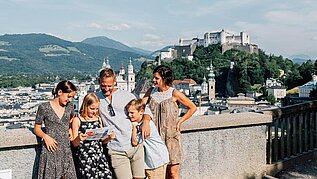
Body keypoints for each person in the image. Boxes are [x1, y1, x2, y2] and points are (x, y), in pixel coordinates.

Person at [96, 68, 151, 179]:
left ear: (115, 81)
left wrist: (146, 122)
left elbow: (145, 110)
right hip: (116, 149)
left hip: (135, 145)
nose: (106, 89)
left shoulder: (127, 96)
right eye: (103, 86)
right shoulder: (96, 98)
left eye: (109, 86)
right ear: (99, 82)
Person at [143, 65, 197, 179]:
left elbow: (192, 107)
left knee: (173, 172)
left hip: (170, 137)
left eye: (157, 78)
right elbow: (140, 107)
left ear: (165, 78)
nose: (154, 80)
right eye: (154, 77)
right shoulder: (151, 92)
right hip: (154, 137)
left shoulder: (174, 93)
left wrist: (180, 121)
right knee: (159, 173)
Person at [34, 80, 77, 179]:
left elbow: (72, 118)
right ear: (60, 92)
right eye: (69, 96)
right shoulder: (44, 107)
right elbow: (37, 128)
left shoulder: (69, 107)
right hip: (51, 150)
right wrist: (45, 137)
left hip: (66, 150)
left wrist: (70, 129)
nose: (70, 100)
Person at [71, 93, 114, 179]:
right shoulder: (77, 120)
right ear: (85, 106)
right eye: (92, 109)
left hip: (99, 155)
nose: (94, 111)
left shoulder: (98, 118)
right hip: (85, 157)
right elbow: (74, 144)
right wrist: (79, 138)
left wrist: (109, 137)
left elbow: (102, 140)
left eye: (97, 109)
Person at [126, 99, 170, 179]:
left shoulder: (146, 126)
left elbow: (135, 142)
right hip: (152, 160)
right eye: (128, 113)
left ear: (141, 112)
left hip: (156, 160)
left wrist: (134, 127)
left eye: (132, 113)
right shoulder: (142, 123)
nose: (129, 115)